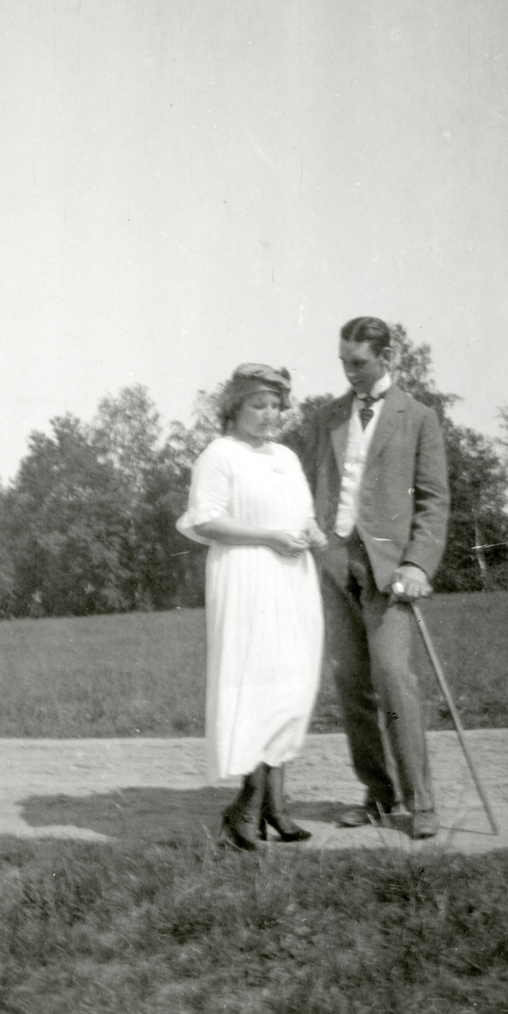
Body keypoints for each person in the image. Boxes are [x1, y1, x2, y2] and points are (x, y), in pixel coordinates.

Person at [303, 317, 449, 840]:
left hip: (390, 571)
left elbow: (433, 501)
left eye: (360, 363)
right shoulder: (325, 418)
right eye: (344, 362)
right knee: (350, 682)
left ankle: (421, 799)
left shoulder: (419, 417)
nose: (350, 372)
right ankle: (379, 794)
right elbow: (310, 486)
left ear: (387, 357)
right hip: (334, 562)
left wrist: (417, 564)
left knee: (392, 678)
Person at [177, 363, 327, 850]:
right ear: (234, 408)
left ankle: (275, 808)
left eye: (275, 406)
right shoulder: (219, 455)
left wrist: (311, 530)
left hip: (292, 579)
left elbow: (301, 513)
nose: (268, 414)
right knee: (257, 688)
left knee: (290, 687)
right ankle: (245, 811)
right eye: (257, 405)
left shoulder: (285, 456)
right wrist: (268, 537)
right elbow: (205, 521)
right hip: (246, 578)